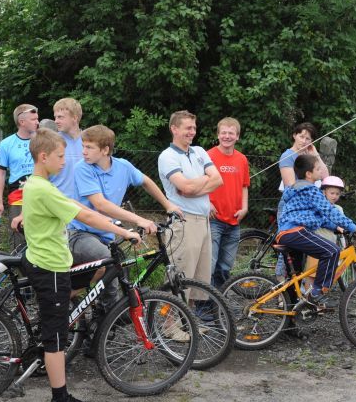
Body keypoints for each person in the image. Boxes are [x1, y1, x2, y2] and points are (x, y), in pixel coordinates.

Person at [19, 128, 141, 402]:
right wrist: (122, 230)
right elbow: (83, 214)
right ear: (44, 156)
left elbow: (73, 204)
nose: (65, 161)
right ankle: (60, 401)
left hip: (47, 262)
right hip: (49, 266)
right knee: (56, 339)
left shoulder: (40, 185)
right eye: (60, 156)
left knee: (68, 303)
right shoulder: (42, 188)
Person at [67, 125, 179, 335]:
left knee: (119, 273)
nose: (83, 151)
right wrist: (139, 220)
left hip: (107, 233)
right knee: (106, 261)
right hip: (80, 233)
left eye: (89, 147)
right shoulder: (82, 168)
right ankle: (64, 294)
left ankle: (102, 327)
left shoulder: (123, 166)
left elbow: (145, 181)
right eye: (83, 146)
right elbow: (101, 205)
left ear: (105, 150)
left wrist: (168, 205)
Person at [277, 155, 356, 311]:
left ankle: (292, 315)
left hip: (287, 233)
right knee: (332, 251)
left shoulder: (296, 189)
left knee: (295, 278)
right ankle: (316, 294)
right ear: (309, 174)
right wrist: (354, 227)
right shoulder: (310, 189)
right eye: (318, 168)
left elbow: (318, 216)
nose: (321, 171)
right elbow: (329, 210)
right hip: (295, 231)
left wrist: (337, 228)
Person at [158, 110, 223, 297]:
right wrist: (204, 180)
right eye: (187, 128)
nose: (192, 132)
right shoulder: (167, 156)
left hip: (203, 221)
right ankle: (172, 325)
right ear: (174, 129)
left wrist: (193, 188)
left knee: (198, 280)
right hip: (184, 222)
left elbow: (218, 180)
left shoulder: (199, 152)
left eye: (194, 127)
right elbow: (184, 187)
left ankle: (189, 324)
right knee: (180, 275)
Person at [207, 117, 250, 287]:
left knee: (225, 267)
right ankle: (204, 307)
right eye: (223, 132)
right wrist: (206, 202)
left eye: (231, 133)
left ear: (237, 136)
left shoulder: (242, 159)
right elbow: (199, 183)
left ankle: (219, 303)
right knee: (209, 266)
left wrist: (245, 208)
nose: (227, 136)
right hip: (214, 219)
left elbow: (244, 186)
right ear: (218, 135)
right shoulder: (208, 156)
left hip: (234, 219)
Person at [0, 103, 39, 249]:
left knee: (40, 234)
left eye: (38, 119)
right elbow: (0, 174)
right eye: (33, 119)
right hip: (18, 195)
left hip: (41, 194)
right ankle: (19, 271)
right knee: (19, 234)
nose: (37, 122)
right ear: (22, 122)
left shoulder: (43, 141)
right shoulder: (6, 144)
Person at [278, 122, 328, 190]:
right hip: (298, 198)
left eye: (307, 139)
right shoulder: (287, 156)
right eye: (301, 137)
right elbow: (290, 187)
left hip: (312, 195)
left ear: (311, 141)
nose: (304, 141)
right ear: (294, 135)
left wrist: (316, 155)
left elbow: (325, 177)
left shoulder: (310, 155)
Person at [51, 97, 84, 199]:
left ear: (75, 118)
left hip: (86, 206)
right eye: (55, 117)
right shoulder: (51, 142)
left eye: (60, 117)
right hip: (58, 204)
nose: (56, 121)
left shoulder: (90, 141)